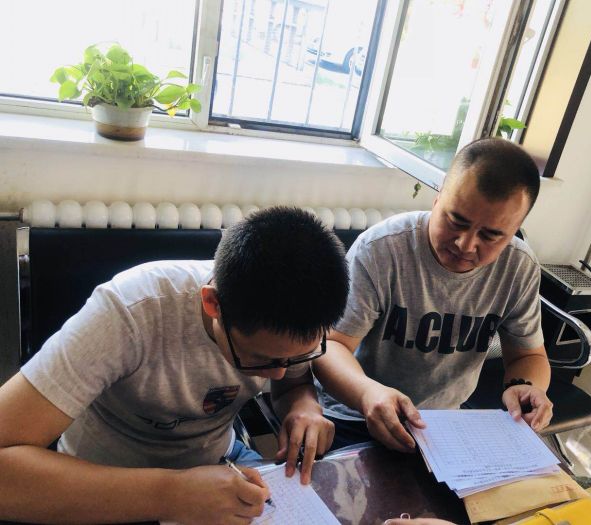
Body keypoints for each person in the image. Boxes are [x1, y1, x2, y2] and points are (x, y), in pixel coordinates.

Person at [0, 207, 349, 525]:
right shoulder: (129, 312)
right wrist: (170, 495)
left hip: (221, 464)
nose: (277, 373)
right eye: (259, 359)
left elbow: (292, 384)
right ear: (213, 304)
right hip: (103, 481)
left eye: (296, 357)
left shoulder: (289, 322)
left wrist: (303, 406)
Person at [314, 137, 554, 452]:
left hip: (442, 424)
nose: (465, 244)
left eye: (491, 235)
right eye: (456, 221)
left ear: (514, 230)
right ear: (437, 198)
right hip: (354, 412)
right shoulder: (381, 250)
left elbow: (528, 356)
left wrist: (526, 388)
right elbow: (330, 346)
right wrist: (367, 393)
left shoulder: (518, 266)